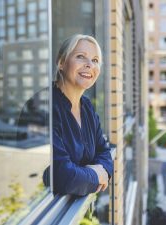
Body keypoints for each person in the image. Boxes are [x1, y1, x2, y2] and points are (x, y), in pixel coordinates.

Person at [52, 34, 113, 196]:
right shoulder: (47, 107)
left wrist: (103, 171)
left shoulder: (86, 107)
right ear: (61, 63)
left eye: (95, 60)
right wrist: (95, 176)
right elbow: (61, 176)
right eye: (81, 57)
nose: (89, 65)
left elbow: (104, 152)